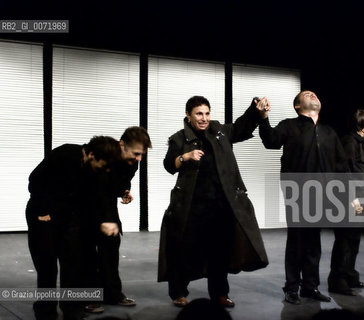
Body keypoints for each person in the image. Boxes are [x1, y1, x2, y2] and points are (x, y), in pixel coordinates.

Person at [158, 95, 269, 308]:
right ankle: (179, 292)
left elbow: (241, 128)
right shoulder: (179, 138)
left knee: (220, 251)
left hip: (221, 205)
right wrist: (185, 157)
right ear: (188, 115)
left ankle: (219, 293)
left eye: (207, 113)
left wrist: (255, 110)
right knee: (185, 249)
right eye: (199, 114)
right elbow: (168, 165)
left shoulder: (219, 131)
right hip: (192, 206)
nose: (204, 118)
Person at [258, 90, 352, 305]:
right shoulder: (289, 125)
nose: (313, 95)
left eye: (315, 94)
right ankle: (292, 287)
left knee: (313, 242)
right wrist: (263, 119)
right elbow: (270, 141)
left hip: (325, 194)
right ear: (297, 106)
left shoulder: (329, 132)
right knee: (297, 241)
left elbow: (342, 166)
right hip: (298, 192)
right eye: (307, 94)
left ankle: (310, 286)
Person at [26, 136, 121, 320]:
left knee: (73, 264)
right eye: (104, 164)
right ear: (91, 154)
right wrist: (45, 210)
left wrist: (107, 220)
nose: (106, 169)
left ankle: (72, 309)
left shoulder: (99, 168)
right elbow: (35, 181)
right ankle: (45, 312)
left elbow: (102, 196)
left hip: (69, 216)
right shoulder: (65, 154)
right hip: (42, 214)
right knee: (47, 267)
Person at [84, 127, 152, 313]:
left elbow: (121, 181)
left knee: (111, 247)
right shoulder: (106, 154)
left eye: (142, 155)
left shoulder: (133, 162)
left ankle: (113, 293)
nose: (139, 159)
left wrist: (124, 191)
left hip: (106, 204)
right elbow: (96, 187)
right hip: (86, 203)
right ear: (121, 145)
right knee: (87, 251)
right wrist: (103, 219)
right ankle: (89, 297)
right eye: (136, 153)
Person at [327, 109, 364, 296]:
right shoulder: (349, 143)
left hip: (358, 198)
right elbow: (343, 174)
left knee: (353, 240)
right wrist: (352, 198)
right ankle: (338, 281)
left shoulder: (358, 143)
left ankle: (350, 276)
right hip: (348, 200)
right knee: (344, 241)